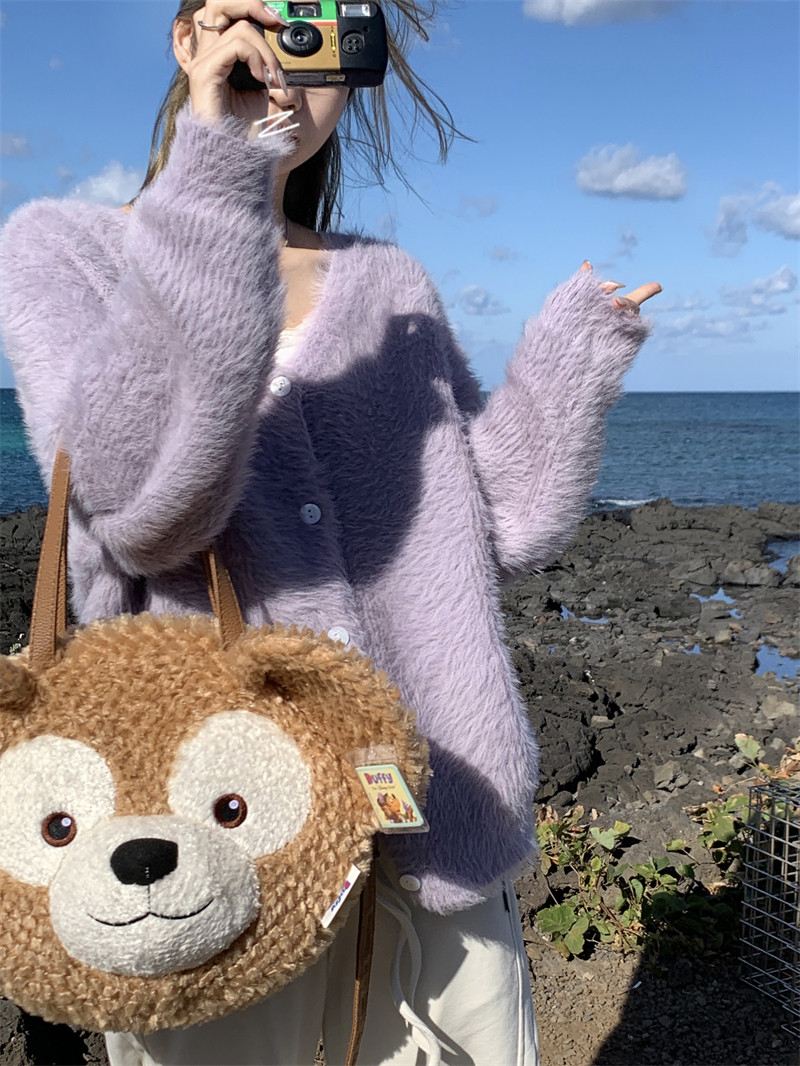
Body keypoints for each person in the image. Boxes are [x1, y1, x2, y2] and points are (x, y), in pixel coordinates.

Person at [0, 1, 660, 1063]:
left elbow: (497, 520)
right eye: (265, 22)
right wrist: (215, 177)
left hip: (427, 805)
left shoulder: (388, 284)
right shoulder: (64, 250)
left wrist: (570, 361)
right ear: (190, 39)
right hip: (207, 831)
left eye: (325, 38)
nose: (288, 66)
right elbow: (138, 505)